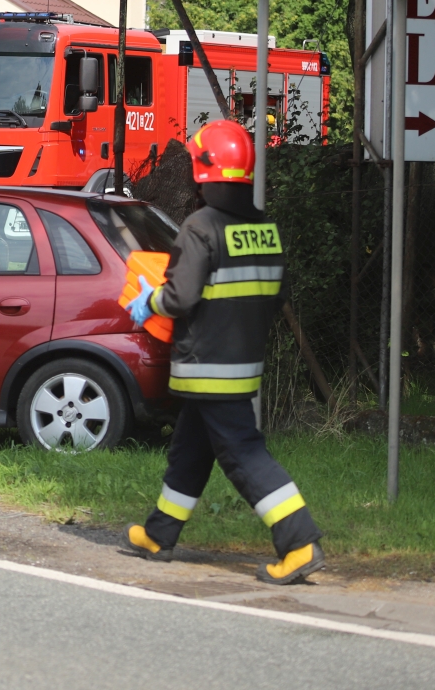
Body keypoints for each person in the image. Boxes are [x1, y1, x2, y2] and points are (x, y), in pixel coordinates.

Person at [122, 119, 324, 585]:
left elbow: (180, 298)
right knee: (190, 451)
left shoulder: (200, 226)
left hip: (205, 365)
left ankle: (299, 542)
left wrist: (148, 300)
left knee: (244, 455)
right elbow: (277, 295)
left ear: (202, 169)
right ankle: (160, 534)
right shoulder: (264, 227)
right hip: (242, 363)